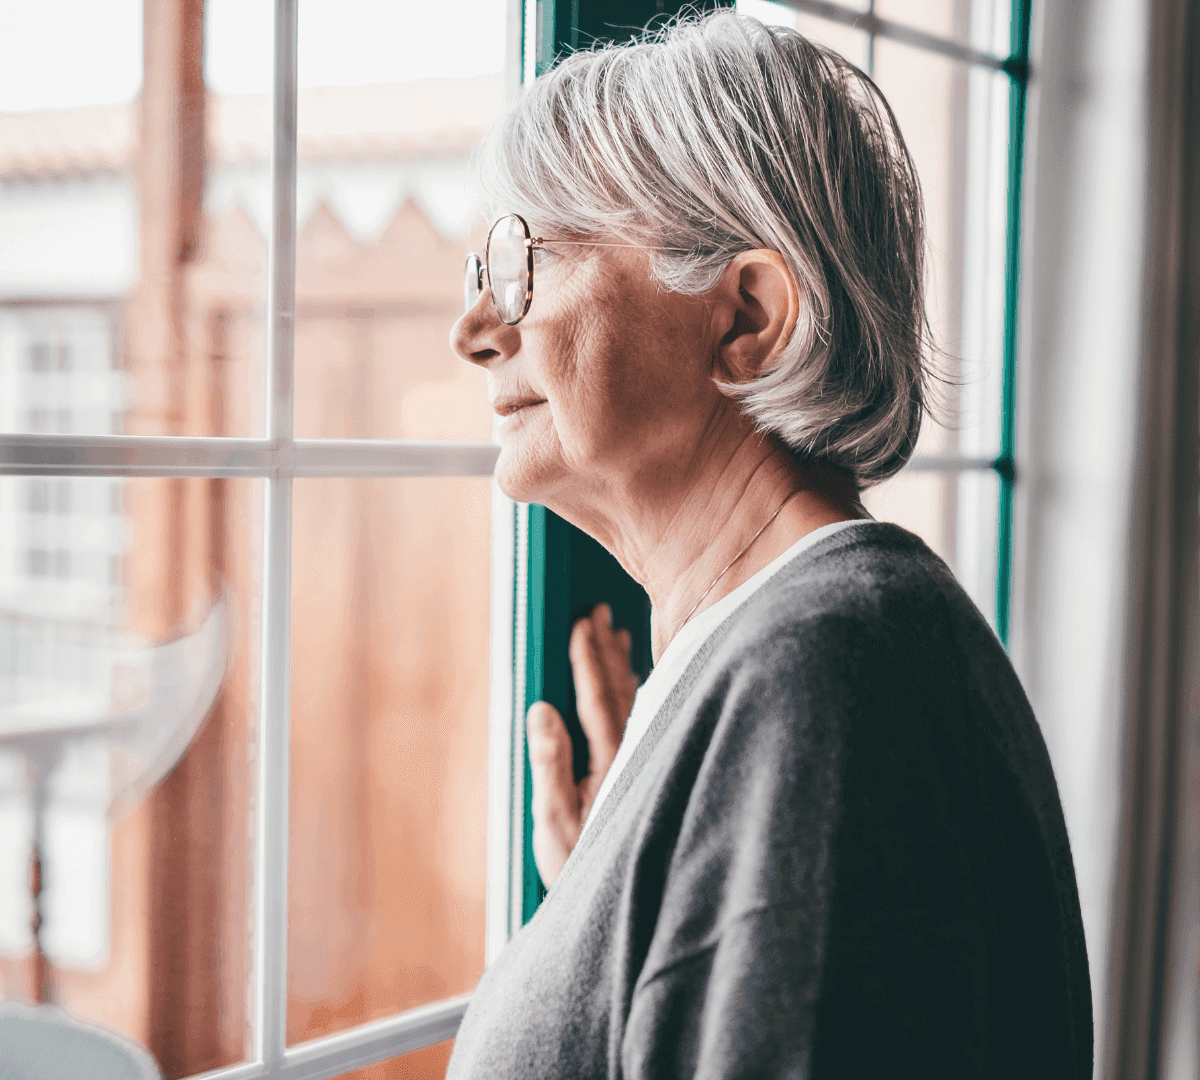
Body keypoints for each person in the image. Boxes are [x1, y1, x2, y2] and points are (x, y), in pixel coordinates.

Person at [446, 11, 1092, 1078]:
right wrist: (611, 923)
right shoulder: (805, 662)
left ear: (747, 315)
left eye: (523, 259)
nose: (472, 329)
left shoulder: (826, 683)